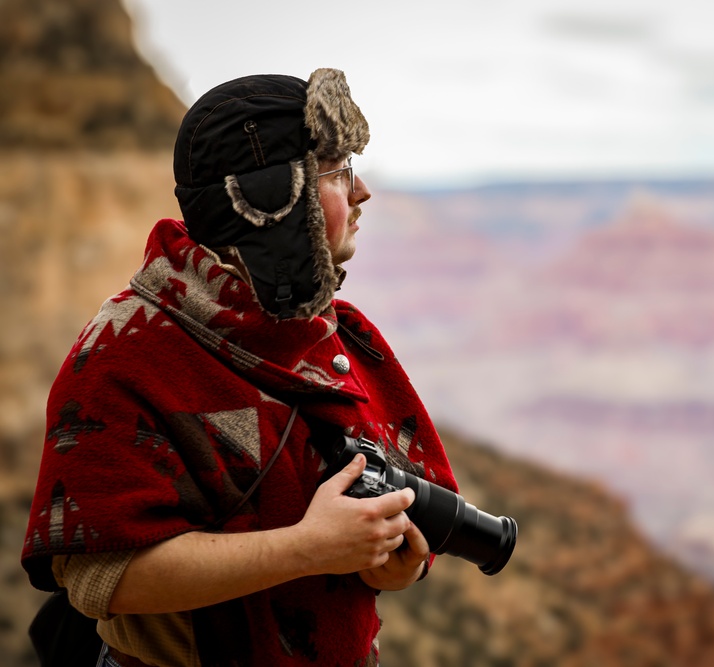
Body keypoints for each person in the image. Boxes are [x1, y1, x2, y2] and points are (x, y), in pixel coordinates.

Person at [21, 68, 458, 667]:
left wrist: (393, 563)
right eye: (336, 172)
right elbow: (104, 579)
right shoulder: (124, 352)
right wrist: (309, 548)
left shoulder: (339, 336)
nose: (362, 193)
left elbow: (379, 553)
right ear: (272, 199)